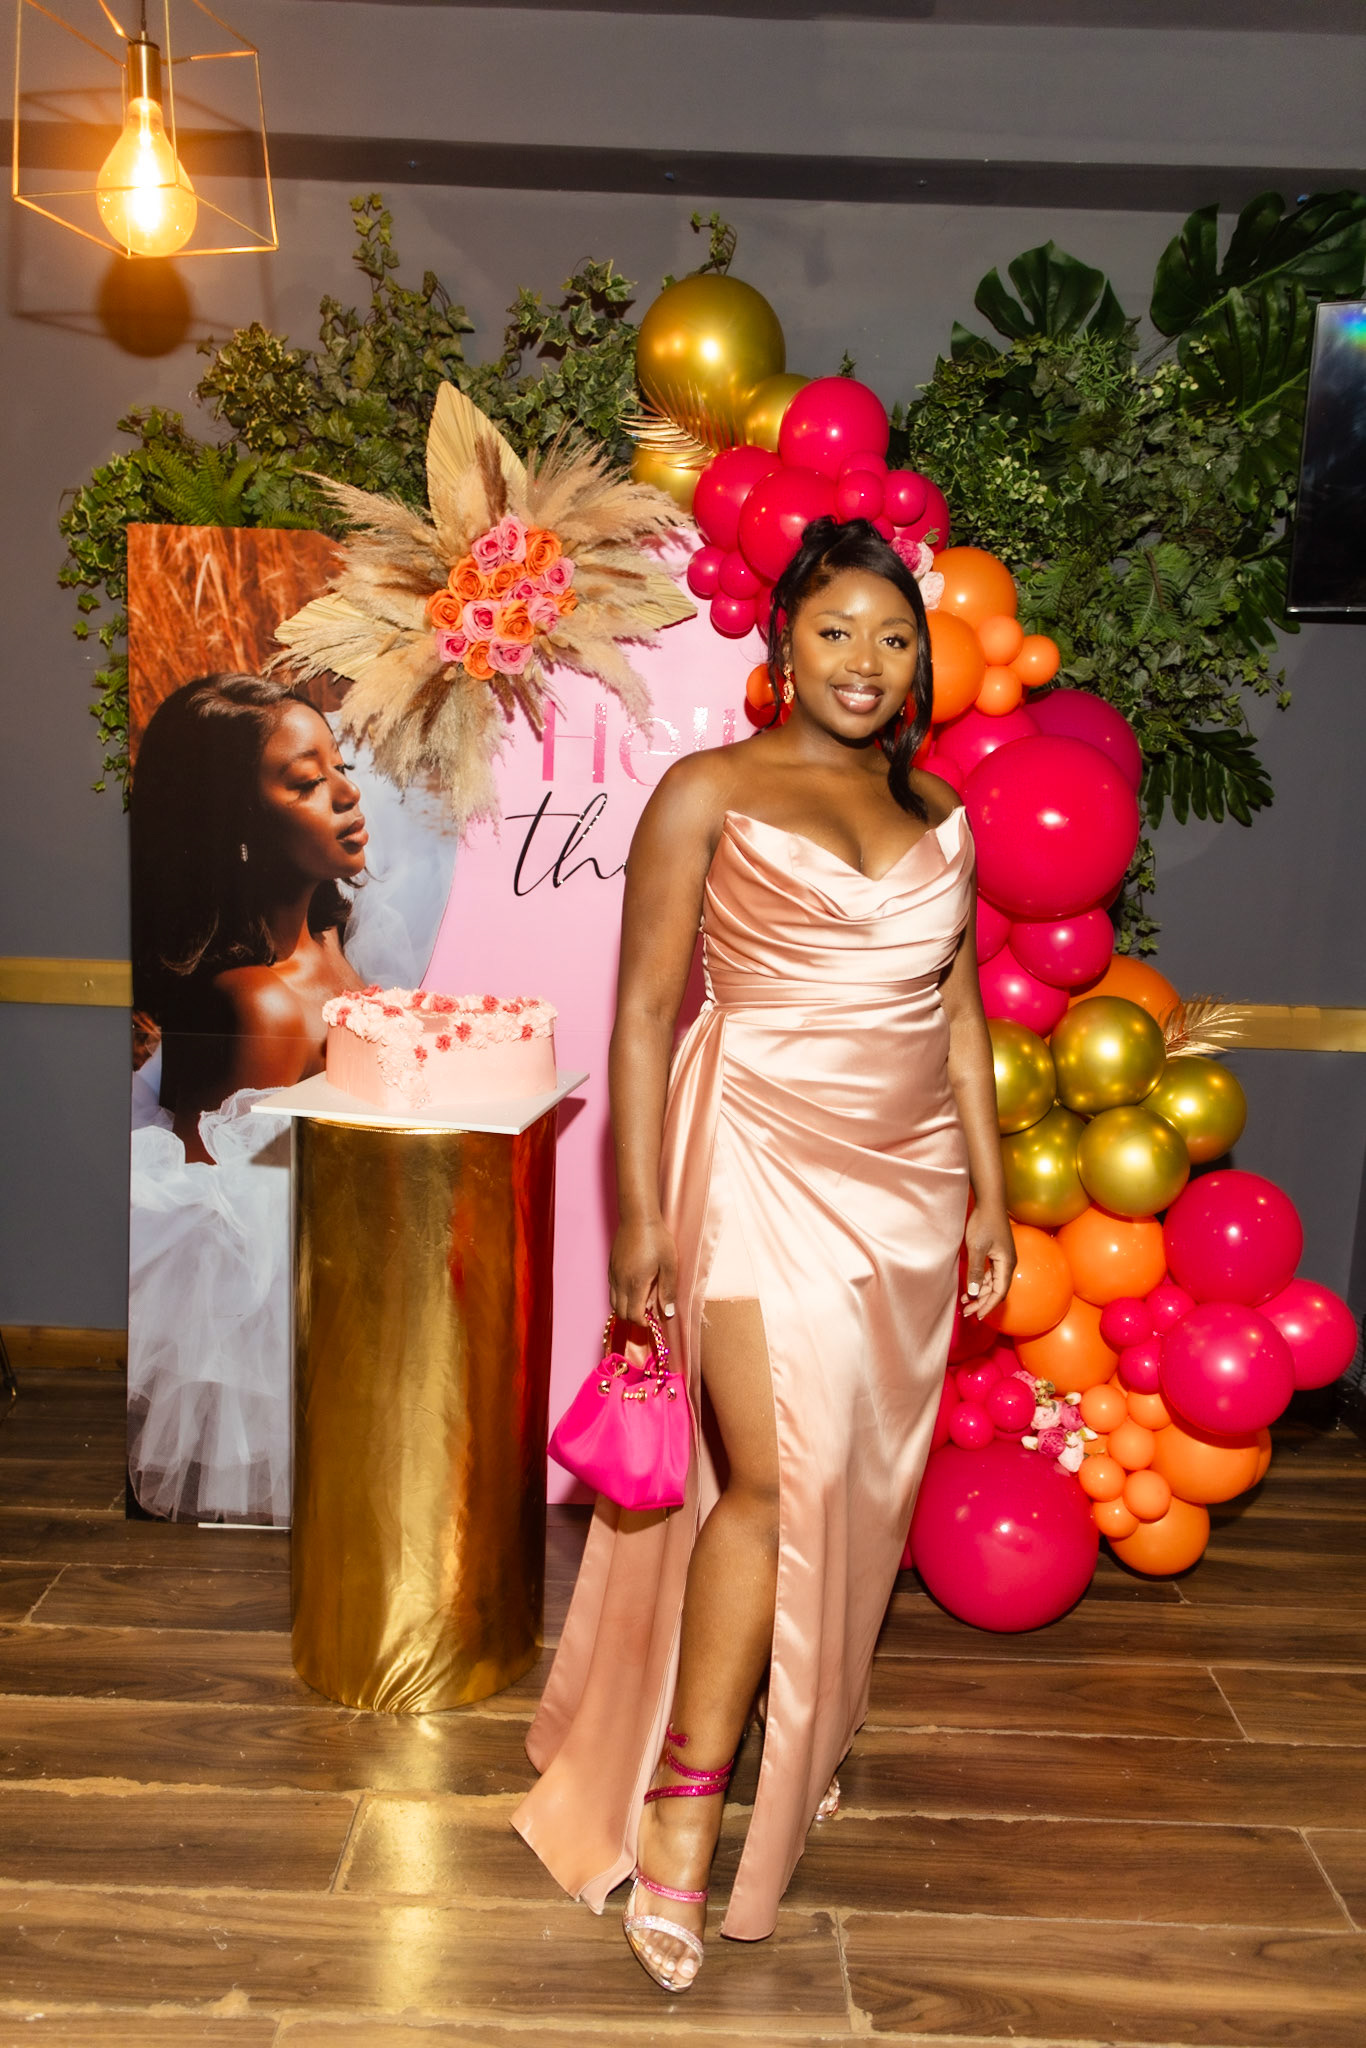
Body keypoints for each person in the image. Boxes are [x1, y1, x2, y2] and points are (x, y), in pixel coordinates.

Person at [512, 518, 1015, 1988]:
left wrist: (988, 1196)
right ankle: (683, 1808)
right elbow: (638, 1014)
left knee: (863, 1480)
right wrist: (637, 1218)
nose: (865, 660)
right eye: (834, 630)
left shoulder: (942, 810)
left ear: (921, 662)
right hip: (754, 1157)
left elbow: (960, 1018)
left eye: (893, 637)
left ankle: (808, 1726)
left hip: (911, 1186)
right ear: (782, 643)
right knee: (776, 1484)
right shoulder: (707, 791)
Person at [127, 675, 368, 1522]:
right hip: (280, 1345)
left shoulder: (330, 940)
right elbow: (219, 1239)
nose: (345, 794)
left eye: (339, 767)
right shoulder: (258, 1002)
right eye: (305, 782)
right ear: (235, 824)